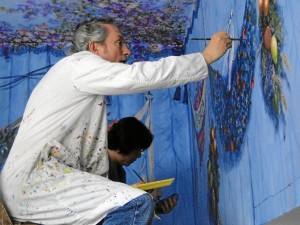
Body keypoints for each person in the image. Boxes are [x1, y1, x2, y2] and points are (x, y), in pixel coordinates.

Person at [0, 17, 231, 225]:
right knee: (137, 204)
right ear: (94, 47)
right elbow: (137, 77)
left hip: (39, 184)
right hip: (34, 181)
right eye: (119, 43)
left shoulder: (80, 83)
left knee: (134, 205)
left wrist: (152, 207)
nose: (127, 51)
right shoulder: (78, 65)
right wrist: (205, 58)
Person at [107, 117, 177, 216]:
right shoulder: (100, 167)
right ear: (127, 145)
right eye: (138, 150)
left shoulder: (120, 171)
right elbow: (109, 210)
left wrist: (154, 208)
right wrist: (140, 197)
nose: (139, 156)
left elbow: (121, 215)